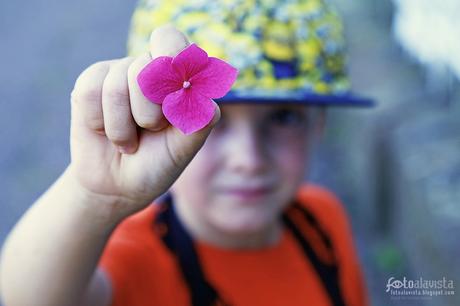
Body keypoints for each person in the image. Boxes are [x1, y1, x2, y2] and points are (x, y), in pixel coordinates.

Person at [0, 0, 373, 305]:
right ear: (150, 122)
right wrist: (96, 196)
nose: (248, 159)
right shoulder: (134, 257)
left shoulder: (322, 218)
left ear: (320, 126)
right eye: (217, 120)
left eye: (283, 118)